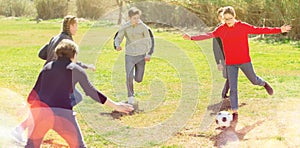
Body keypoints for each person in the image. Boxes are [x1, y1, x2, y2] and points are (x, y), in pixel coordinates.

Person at [183, 6, 291, 129]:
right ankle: (235, 113)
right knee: (233, 89)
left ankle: (264, 84)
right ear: (223, 19)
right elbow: (208, 35)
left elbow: (260, 30)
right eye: (226, 19)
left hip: (245, 61)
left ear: (234, 17)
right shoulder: (221, 29)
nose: (228, 21)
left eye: (230, 18)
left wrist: (279, 30)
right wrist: (192, 37)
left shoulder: (243, 26)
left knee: (254, 80)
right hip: (230, 64)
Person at [24, 39, 134, 147]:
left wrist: (34, 115)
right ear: (74, 54)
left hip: (41, 113)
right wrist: (116, 105)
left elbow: (32, 95)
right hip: (63, 114)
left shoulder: (47, 67)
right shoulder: (75, 69)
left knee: (30, 146)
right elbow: (91, 91)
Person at [11, 15, 95, 144]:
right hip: (56, 75)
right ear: (71, 26)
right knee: (75, 97)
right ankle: (59, 117)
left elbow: (41, 53)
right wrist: (86, 66)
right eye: (76, 25)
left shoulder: (55, 37)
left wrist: (51, 59)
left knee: (44, 107)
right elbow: (69, 62)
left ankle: (21, 128)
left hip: (48, 73)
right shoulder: (66, 40)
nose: (77, 28)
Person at [114, 7, 154, 104]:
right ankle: (130, 95)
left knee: (139, 79)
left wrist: (149, 54)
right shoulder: (125, 27)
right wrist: (117, 45)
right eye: (134, 18)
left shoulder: (144, 27)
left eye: (138, 18)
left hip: (141, 56)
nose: (136, 20)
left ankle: (136, 77)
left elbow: (150, 41)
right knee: (129, 76)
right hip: (129, 55)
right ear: (129, 18)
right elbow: (118, 38)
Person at [212, 7, 230, 99]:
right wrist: (218, 62)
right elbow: (215, 48)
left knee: (232, 76)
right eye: (221, 16)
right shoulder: (218, 30)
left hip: (234, 56)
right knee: (229, 76)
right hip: (224, 57)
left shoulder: (231, 26)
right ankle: (224, 94)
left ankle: (226, 94)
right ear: (219, 18)